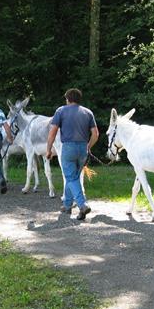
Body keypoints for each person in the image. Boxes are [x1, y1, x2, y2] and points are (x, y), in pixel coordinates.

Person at [46, 88, 99, 220]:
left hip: (68, 148)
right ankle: (67, 205)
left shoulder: (61, 111)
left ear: (68, 99)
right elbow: (96, 134)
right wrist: (88, 146)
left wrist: (48, 149)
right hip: (82, 149)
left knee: (71, 177)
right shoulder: (88, 112)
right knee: (74, 176)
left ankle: (82, 204)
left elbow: (52, 132)